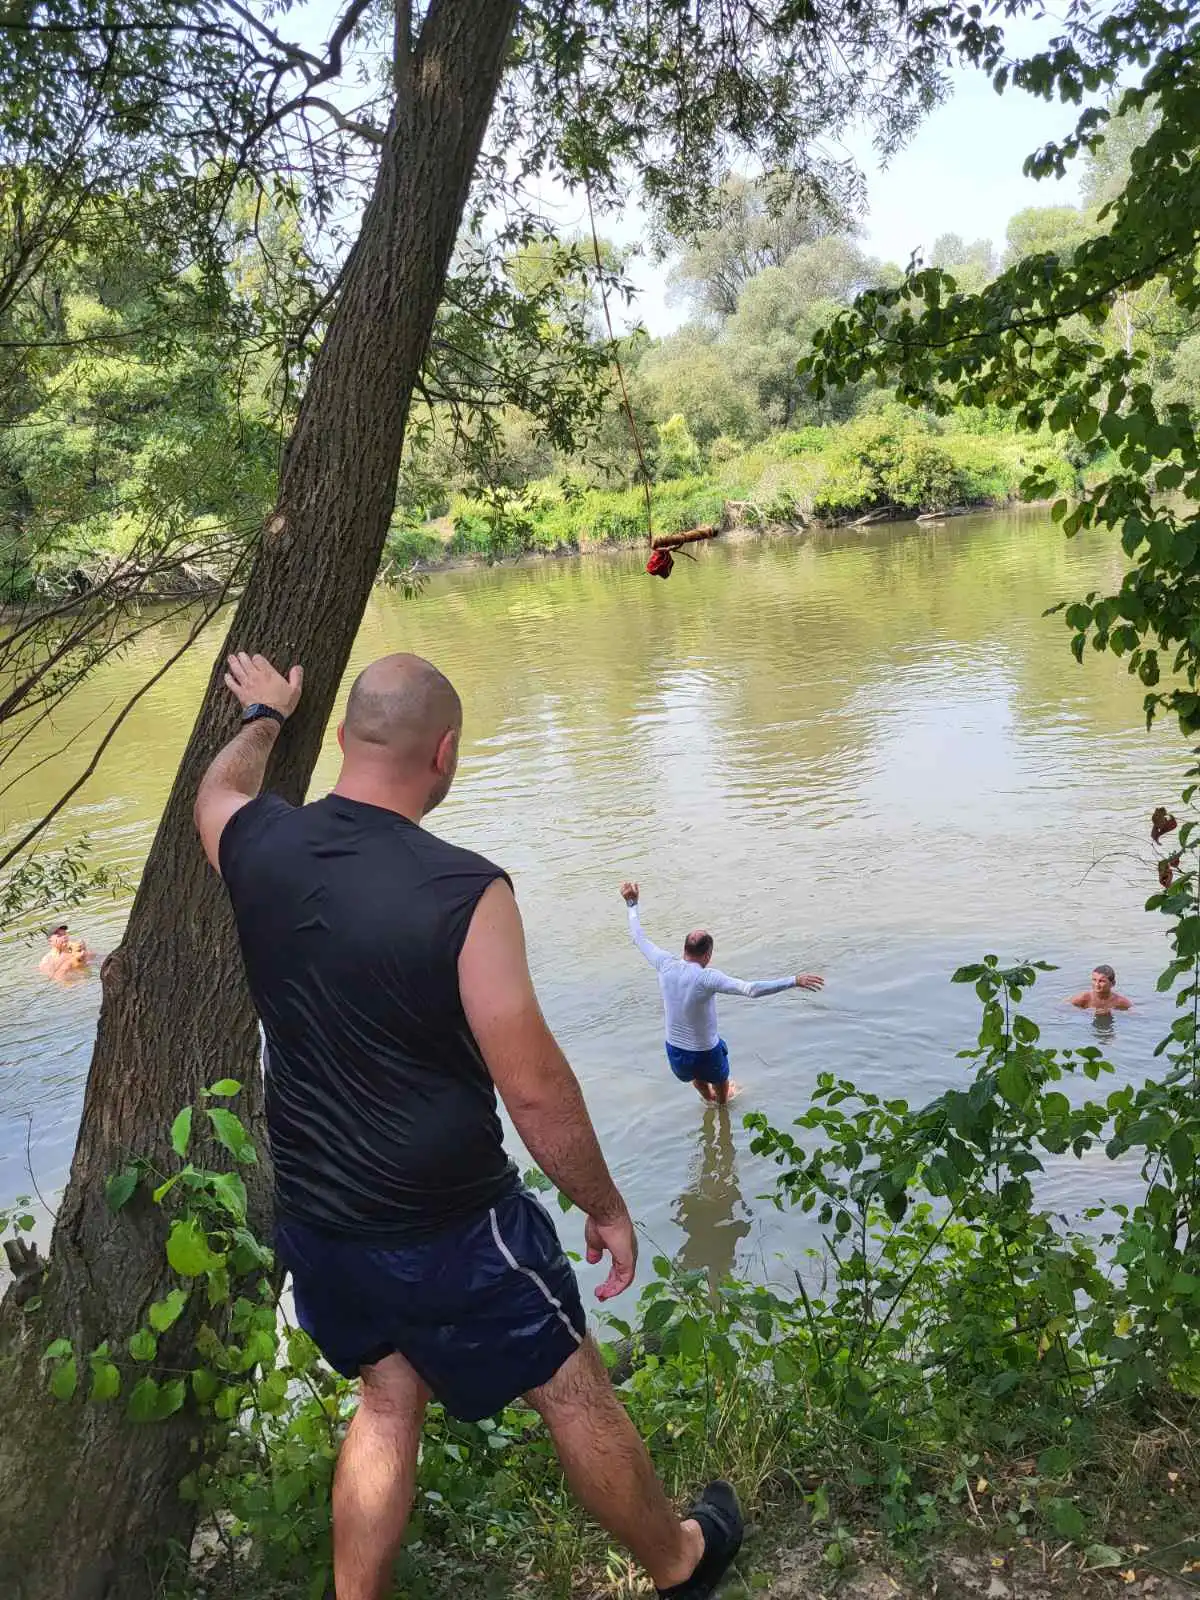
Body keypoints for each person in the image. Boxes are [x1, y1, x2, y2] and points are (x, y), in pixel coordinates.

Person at [194, 650, 743, 1600]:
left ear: (342, 737)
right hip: (450, 1221)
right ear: (444, 753)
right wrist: (603, 1203)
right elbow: (531, 1087)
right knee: (571, 1385)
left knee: (388, 1394)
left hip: (320, 1214)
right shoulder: (466, 892)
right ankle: (680, 1562)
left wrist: (261, 713)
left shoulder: (257, 845)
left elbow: (217, 788)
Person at [621, 882, 823, 1105]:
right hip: (706, 1052)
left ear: (684, 949)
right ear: (708, 954)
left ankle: (708, 1099)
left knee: (696, 1077)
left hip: (676, 1053)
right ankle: (722, 1102)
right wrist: (794, 980)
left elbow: (638, 937)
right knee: (721, 1083)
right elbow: (751, 990)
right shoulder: (707, 978)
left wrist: (632, 903)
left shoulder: (664, 964)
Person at [1068, 964, 1132, 1014]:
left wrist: (1112, 1012)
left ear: (1113, 983)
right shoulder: (1084, 998)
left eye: (1102, 981)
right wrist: (1087, 1012)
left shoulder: (1120, 1001)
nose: (1096, 984)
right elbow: (1062, 1008)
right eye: (1094, 980)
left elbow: (1134, 1014)